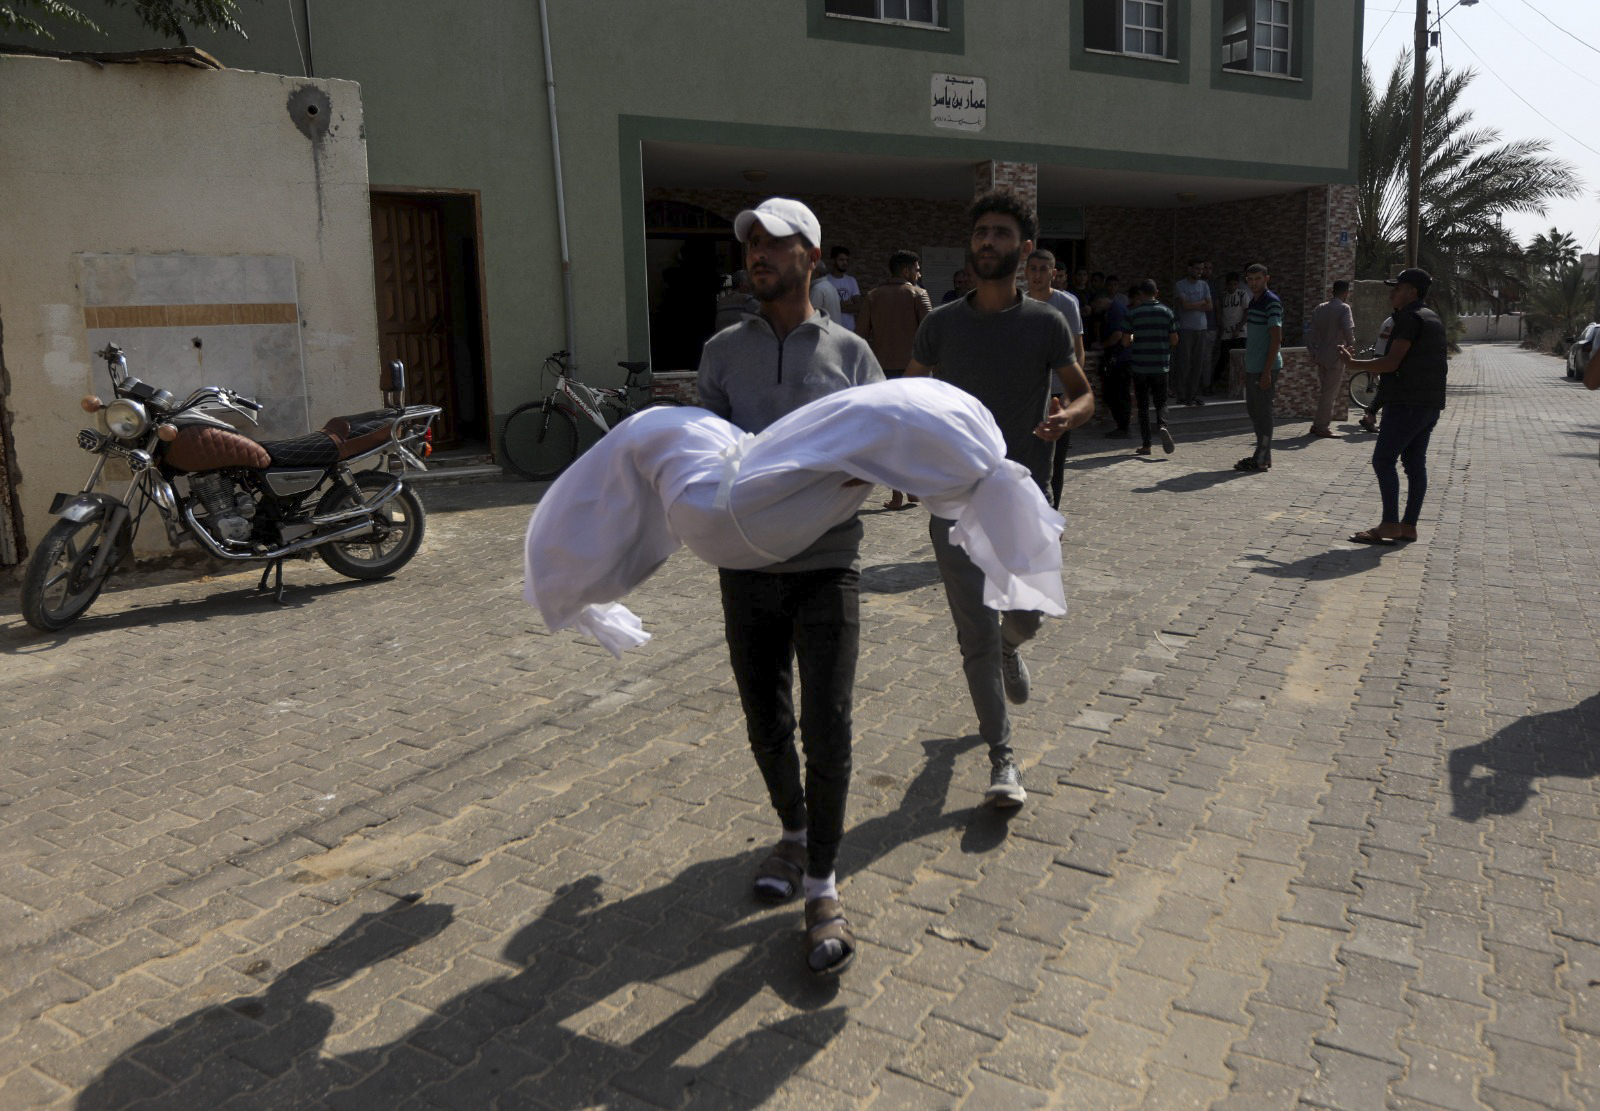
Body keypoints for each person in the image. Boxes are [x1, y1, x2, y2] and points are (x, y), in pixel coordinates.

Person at [695, 197, 884, 976]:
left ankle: (824, 887)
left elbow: (879, 449)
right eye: (751, 246)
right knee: (765, 720)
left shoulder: (851, 353)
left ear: (810, 255)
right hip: (744, 570)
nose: (758, 256)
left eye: (774, 244)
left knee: (828, 722)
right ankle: (795, 831)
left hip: (827, 565)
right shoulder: (721, 351)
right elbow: (700, 450)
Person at [905, 190, 1095, 808]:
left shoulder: (1045, 322)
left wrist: (1070, 416)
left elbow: (1082, 391)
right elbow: (907, 400)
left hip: (1021, 498)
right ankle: (1003, 759)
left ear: (1026, 249)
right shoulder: (940, 325)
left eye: (1002, 234)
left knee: (1028, 618)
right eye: (981, 232)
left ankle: (1015, 646)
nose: (988, 241)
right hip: (954, 504)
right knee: (975, 638)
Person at [1338, 267, 1448, 544]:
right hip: (1428, 404)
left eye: (1397, 288)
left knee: (1383, 460)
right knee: (1414, 464)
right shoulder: (1431, 318)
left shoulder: (1409, 319)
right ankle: (1408, 526)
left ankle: (1389, 524)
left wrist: (1353, 365)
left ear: (1412, 292)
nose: (1393, 293)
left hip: (1407, 404)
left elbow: (1391, 363)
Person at [860, 249, 932, 509]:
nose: (919, 274)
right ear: (906, 271)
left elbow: (860, 337)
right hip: (915, 373)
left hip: (882, 373)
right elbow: (930, 335)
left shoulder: (873, 296)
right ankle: (912, 487)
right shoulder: (919, 295)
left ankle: (897, 492)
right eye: (916, 269)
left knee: (890, 433)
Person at [1023, 249, 1087, 511]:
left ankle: (1051, 517)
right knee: (1024, 458)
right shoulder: (1017, 303)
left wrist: (1072, 393)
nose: (1037, 274)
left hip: (1058, 394)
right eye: (1033, 268)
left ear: (1054, 273)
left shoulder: (1066, 304)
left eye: (1043, 269)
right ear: (1026, 272)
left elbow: (1077, 351)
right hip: (1026, 394)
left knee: (1054, 462)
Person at [1236, 263, 1282, 472]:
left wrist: (1266, 371)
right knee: (1254, 412)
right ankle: (1263, 455)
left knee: (1263, 413)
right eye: (1250, 279)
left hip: (1266, 367)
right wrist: (1247, 368)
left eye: (1257, 279)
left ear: (1266, 278)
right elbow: (1253, 339)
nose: (1253, 283)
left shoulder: (1271, 302)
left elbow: (1276, 338)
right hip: (1253, 366)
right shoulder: (1253, 303)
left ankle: (1261, 457)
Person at [1125, 279, 1178, 456]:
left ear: (1140, 294)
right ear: (1157, 292)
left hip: (1140, 366)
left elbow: (1126, 341)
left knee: (1142, 406)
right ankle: (1163, 425)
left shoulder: (1133, 313)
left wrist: (1136, 338)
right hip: (1161, 366)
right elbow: (1174, 340)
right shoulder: (1167, 312)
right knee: (1161, 402)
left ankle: (1146, 444)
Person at [1306, 280, 1356, 437]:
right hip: (1336, 355)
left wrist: (1313, 352)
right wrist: (1351, 344)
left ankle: (1317, 424)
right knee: (1329, 394)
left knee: (1325, 392)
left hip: (1320, 355)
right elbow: (1348, 330)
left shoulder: (1320, 308)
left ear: (1332, 291)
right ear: (1345, 293)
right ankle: (1322, 427)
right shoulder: (1344, 308)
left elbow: (1310, 333)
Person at [1172, 259, 1212, 407]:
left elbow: (1210, 306)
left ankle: (1192, 395)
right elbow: (1185, 305)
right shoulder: (1180, 285)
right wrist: (1201, 303)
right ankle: (1181, 394)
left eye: (1201, 269)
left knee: (1198, 363)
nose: (1199, 272)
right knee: (1184, 362)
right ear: (1189, 269)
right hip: (1185, 328)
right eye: (1197, 269)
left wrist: (1198, 304)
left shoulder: (1204, 285)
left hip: (1201, 328)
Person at [1098, 290, 1134, 439]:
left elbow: (1117, 335)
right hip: (1120, 359)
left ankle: (1123, 427)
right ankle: (1122, 426)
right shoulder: (1117, 308)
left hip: (1120, 360)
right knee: (1114, 393)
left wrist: (1102, 345)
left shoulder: (1116, 310)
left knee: (1118, 393)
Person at [1214, 271, 1249, 392]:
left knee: (1240, 360)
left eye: (1235, 284)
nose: (1232, 287)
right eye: (1230, 284)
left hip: (1240, 333)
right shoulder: (1223, 296)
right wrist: (1221, 326)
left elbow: (1247, 312)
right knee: (1223, 359)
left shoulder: (1242, 295)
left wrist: (1239, 328)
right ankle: (1215, 384)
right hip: (1227, 333)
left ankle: (1241, 387)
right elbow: (1219, 312)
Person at [824, 246, 863, 332]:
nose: (845, 263)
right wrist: (847, 303)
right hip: (831, 330)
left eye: (847, 260)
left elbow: (858, 306)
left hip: (849, 330)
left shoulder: (851, 281)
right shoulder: (825, 281)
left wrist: (836, 308)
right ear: (833, 260)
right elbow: (824, 308)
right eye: (841, 260)